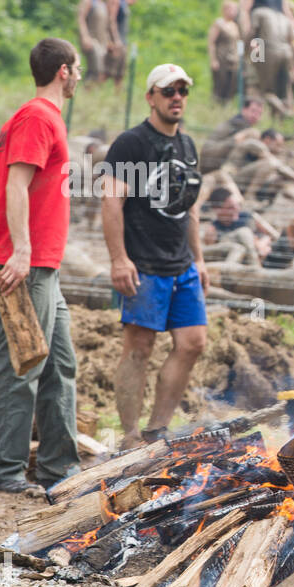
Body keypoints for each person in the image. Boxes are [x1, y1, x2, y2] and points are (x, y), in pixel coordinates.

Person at [0, 38, 82, 493]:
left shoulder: (42, 118)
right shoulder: (38, 118)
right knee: (20, 366)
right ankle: (1, 471)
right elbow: (15, 185)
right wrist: (20, 251)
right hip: (28, 263)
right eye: (76, 68)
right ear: (63, 71)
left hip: (45, 265)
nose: (79, 76)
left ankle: (61, 468)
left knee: (60, 364)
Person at [100, 64, 208, 448]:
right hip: (143, 265)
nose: (176, 97)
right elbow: (111, 202)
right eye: (168, 91)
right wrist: (118, 259)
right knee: (139, 348)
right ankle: (129, 436)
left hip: (182, 265)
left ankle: (157, 429)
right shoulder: (131, 144)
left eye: (182, 90)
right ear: (151, 97)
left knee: (193, 342)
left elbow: (189, 207)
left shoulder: (188, 146)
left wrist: (200, 259)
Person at [200, 98, 263, 173]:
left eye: (259, 113)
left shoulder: (244, 126)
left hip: (219, 163)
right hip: (211, 162)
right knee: (252, 133)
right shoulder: (235, 125)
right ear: (244, 110)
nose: (255, 116)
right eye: (253, 111)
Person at [76, 0, 113, 85]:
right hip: (91, 40)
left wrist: (109, 41)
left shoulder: (103, 4)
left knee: (102, 70)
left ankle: (94, 92)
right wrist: (85, 37)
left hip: (102, 42)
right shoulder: (88, 0)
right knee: (96, 69)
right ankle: (87, 90)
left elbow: (105, 26)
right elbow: (81, 18)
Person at [104, 0, 136, 88]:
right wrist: (116, 40)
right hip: (116, 39)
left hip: (122, 40)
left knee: (120, 74)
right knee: (108, 71)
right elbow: (111, 20)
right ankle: (92, 92)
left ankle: (117, 98)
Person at [207, 0, 242, 104]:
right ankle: (216, 105)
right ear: (225, 10)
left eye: (235, 9)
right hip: (221, 58)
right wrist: (213, 60)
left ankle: (227, 105)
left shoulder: (235, 25)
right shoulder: (219, 23)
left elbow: (239, 42)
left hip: (234, 60)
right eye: (232, 9)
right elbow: (211, 42)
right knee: (220, 84)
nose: (234, 12)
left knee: (232, 85)